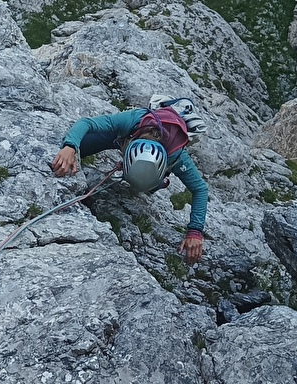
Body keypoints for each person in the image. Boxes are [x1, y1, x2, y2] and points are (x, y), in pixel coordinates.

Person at [49, 96, 209, 265]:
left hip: (159, 156)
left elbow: (200, 189)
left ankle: (155, 182)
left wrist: (195, 232)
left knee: (145, 185)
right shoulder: (131, 120)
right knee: (84, 146)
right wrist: (71, 146)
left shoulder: (176, 155)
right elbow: (86, 123)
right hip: (129, 134)